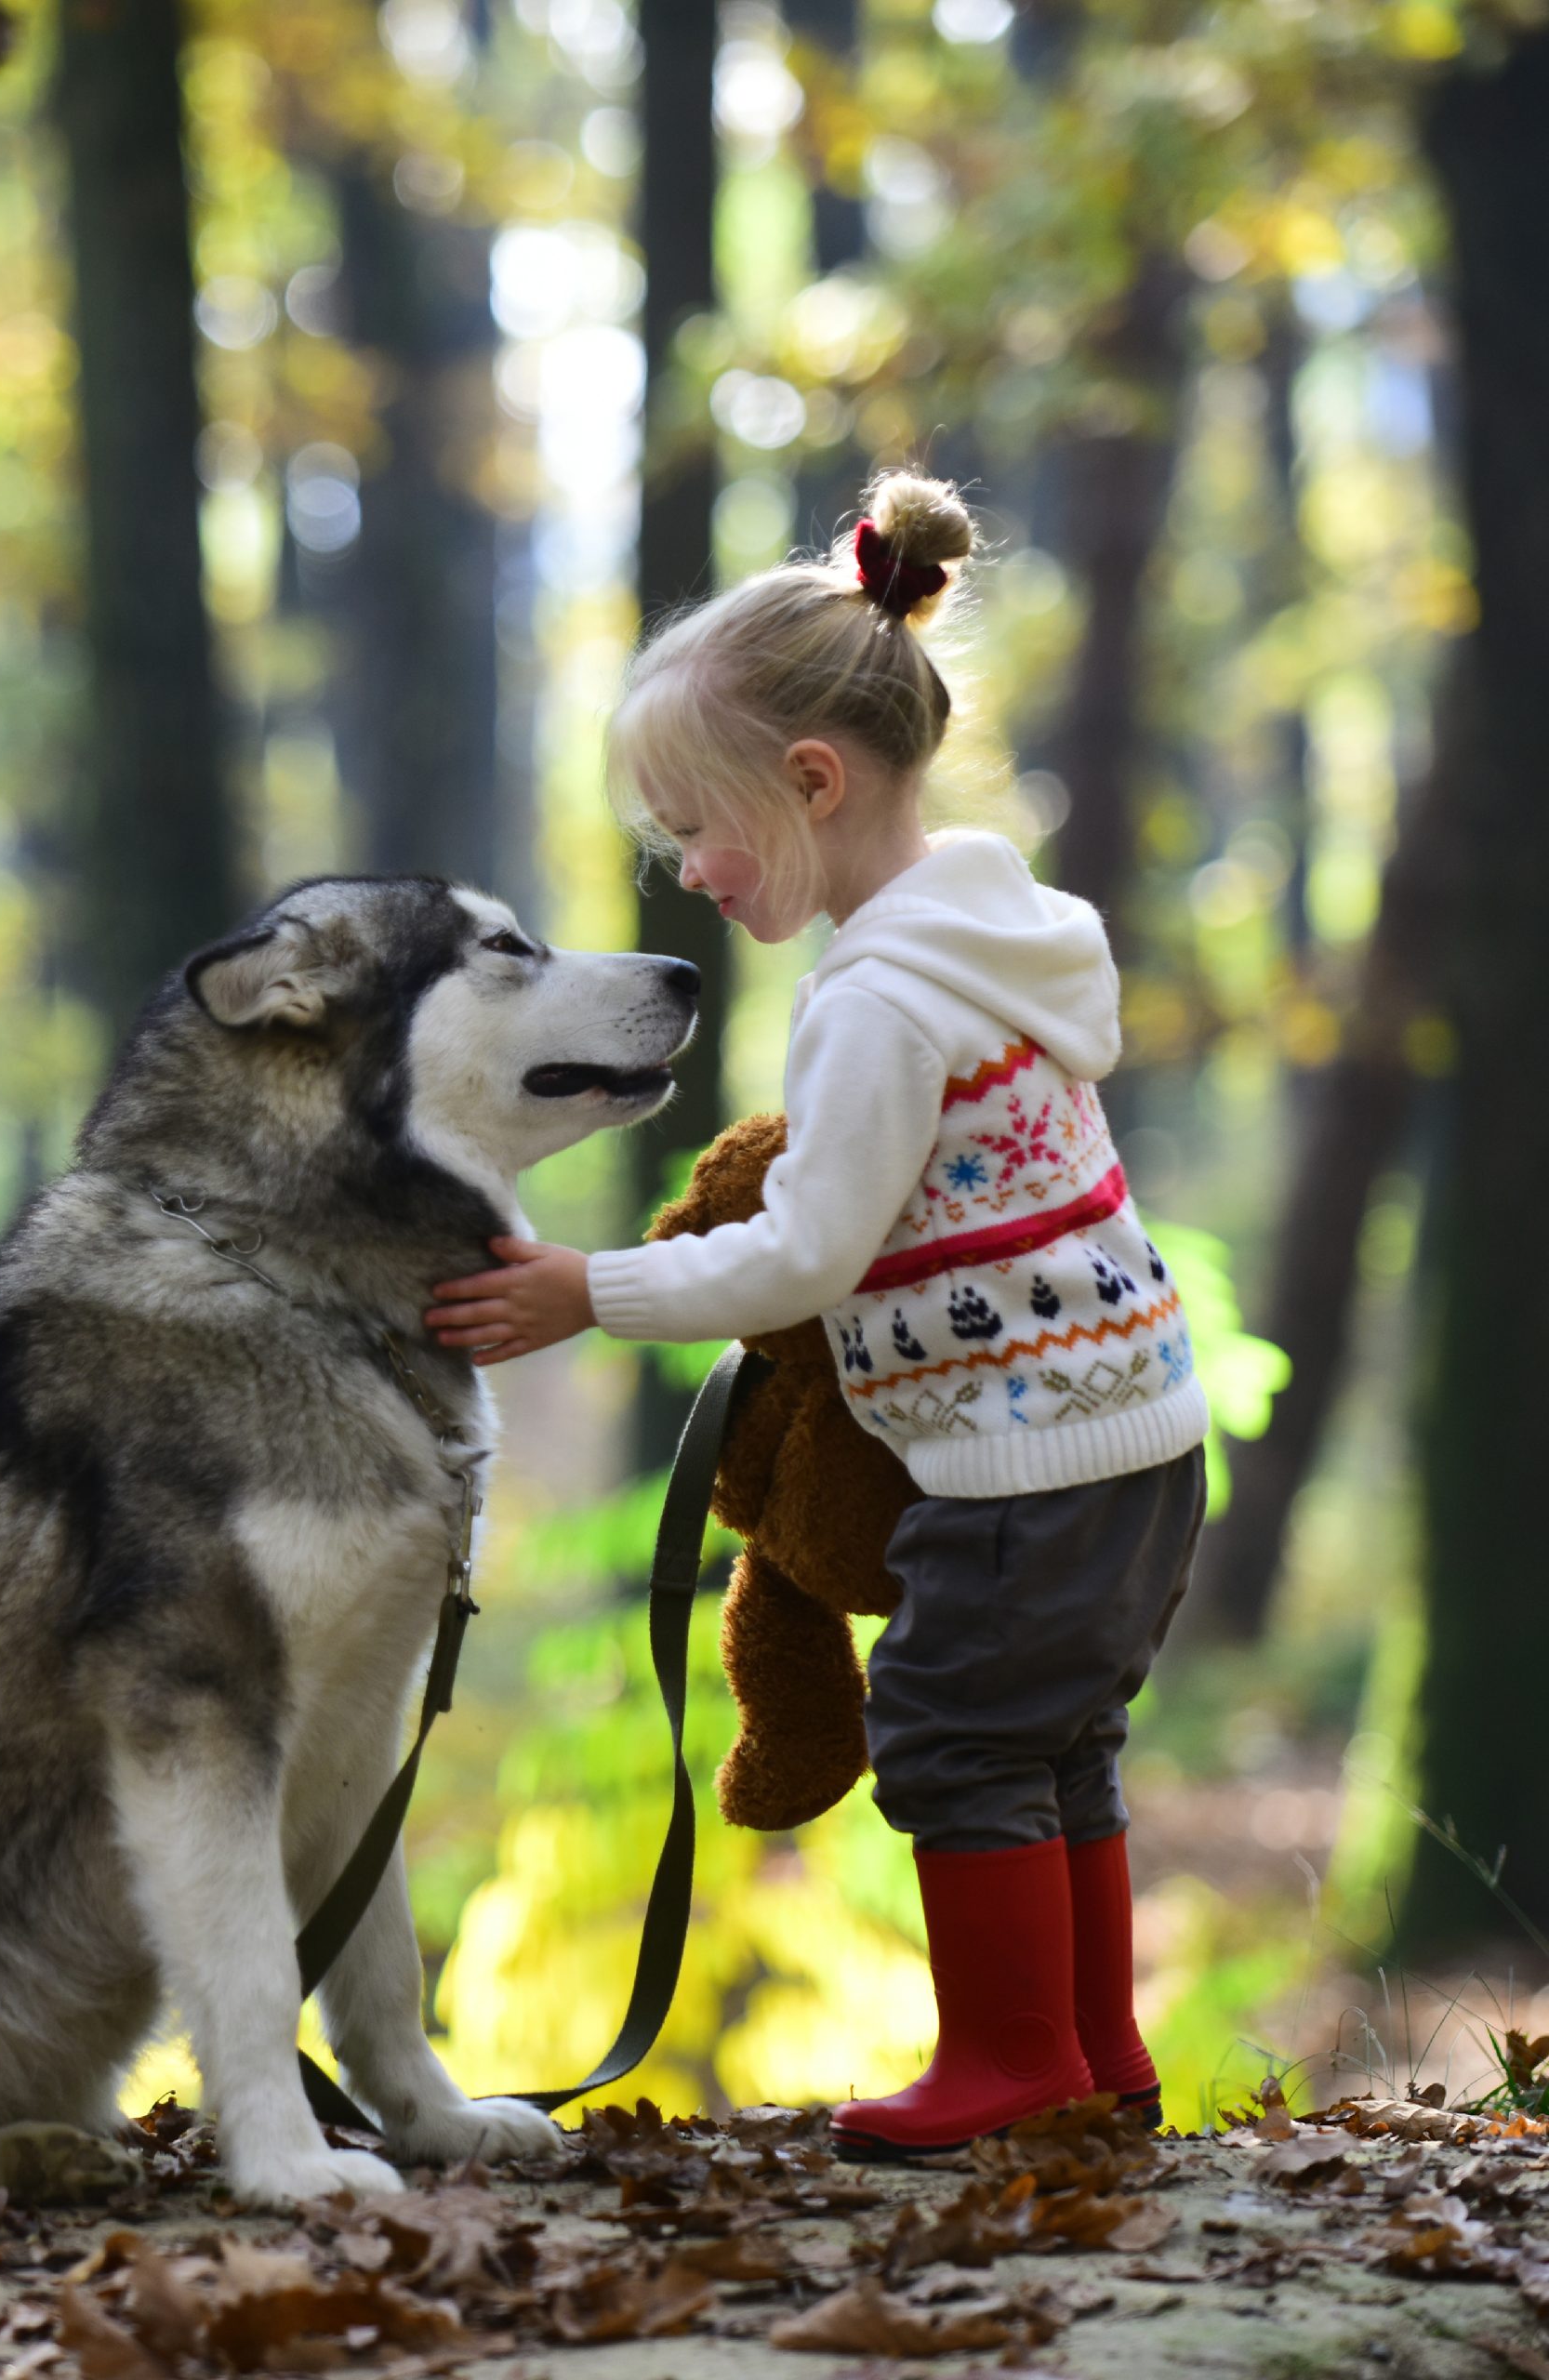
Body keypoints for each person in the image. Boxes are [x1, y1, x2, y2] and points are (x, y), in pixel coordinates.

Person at [421, 469, 1208, 2158]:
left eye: (693, 830)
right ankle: (1096, 2051)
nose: (690, 872)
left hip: (1022, 1459)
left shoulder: (878, 1001)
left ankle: (1012, 2058)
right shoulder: (1000, 935)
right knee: (1060, 1743)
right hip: (1135, 1429)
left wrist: (590, 1291)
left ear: (810, 781)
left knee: (957, 1739)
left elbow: (804, 1258)